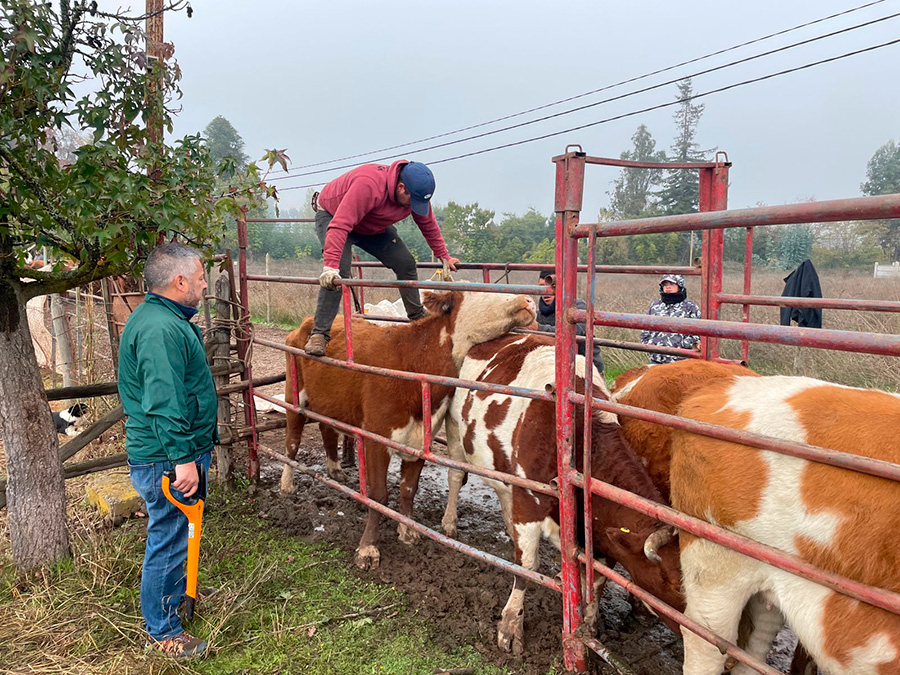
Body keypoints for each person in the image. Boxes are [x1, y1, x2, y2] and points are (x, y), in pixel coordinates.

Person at [118, 243, 217, 658]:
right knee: (170, 535)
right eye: (200, 278)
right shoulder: (160, 329)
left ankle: (174, 599)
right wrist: (182, 460)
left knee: (175, 532)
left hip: (170, 451)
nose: (205, 285)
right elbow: (163, 401)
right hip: (166, 455)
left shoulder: (164, 319)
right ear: (179, 281)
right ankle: (163, 632)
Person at [305, 160, 461, 355]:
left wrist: (444, 256)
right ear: (401, 187)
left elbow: (428, 224)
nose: (414, 207)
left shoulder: (415, 193)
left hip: (369, 224)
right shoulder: (368, 185)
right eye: (412, 202)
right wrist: (330, 267)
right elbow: (340, 225)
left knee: (405, 262)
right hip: (334, 215)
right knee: (339, 274)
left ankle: (417, 318)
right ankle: (319, 334)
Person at [531, 270, 604, 375]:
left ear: (563, 286)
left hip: (587, 369)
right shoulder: (538, 313)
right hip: (554, 366)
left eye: (552, 286)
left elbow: (576, 331)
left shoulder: (578, 307)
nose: (546, 291)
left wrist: (539, 328)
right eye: (541, 286)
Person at [640, 273, 701, 364]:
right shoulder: (655, 305)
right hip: (656, 359)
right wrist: (649, 344)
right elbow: (645, 328)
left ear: (679, 285)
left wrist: (683, 345)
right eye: (665, 284)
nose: (668, 287)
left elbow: (697, 332)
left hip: (681, 360)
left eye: (672, 284)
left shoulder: (690, 307)